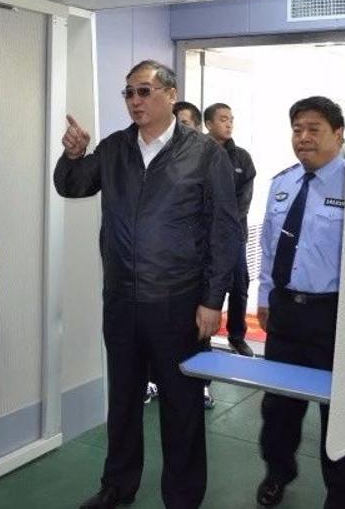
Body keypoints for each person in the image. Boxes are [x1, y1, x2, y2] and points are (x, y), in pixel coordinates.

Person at [55, 60, 241, 509]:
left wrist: (212, 300)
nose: (134, 101)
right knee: (123, 399)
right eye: (129, 93)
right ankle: (117, 486)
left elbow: (224, 230)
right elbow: (73, 185)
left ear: (170, 95)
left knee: (181, 404)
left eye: (144, 91)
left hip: (177, 302)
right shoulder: (115, 148)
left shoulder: (204, 153)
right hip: (122, 299)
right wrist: (73, 155)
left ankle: (182, 497)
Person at [255, 96, 345, 508]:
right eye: (297, 129)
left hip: (336, 315)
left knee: (341, 414)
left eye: (314, 129)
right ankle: (277, 472)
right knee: (278, 408)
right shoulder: (283, 183)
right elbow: (269, 246)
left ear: (338, 134)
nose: (303, 137)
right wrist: (264, 297)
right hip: (286, 311)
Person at [203, 103, 257, 358]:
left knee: (238, 286)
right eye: (223, 119)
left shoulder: (242, 158)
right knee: (204, 285)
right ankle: (202, 336)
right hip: (202, 238)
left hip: (234, 236)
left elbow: (244, 200)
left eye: (231, 119)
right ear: (208, 124)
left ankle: (237, 336)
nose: (229, 124)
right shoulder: (196, 153)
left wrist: (224, 228)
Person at [173, 100, 216, 409]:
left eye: (185, 124)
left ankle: (202, 386)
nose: (179, 130)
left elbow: (222, 227)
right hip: (170, 281)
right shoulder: (165, 165)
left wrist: (213, 298)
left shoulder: (211, 158)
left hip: (199, 274)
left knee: (198, 338)